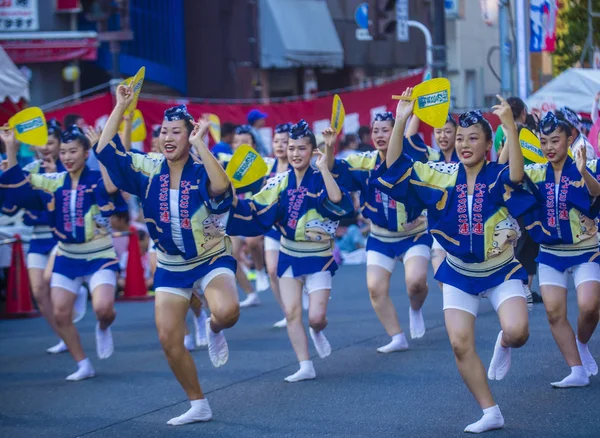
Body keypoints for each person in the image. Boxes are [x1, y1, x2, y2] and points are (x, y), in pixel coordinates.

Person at [373, 90, 535, 433]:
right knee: (460, 344)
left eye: (473, 138)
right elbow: (394, 168)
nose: (464, 143)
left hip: (501, 270)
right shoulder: (441, 173)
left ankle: (504, 343)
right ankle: (490, 410)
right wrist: (401, 118)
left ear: (488, 144)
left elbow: (517, 177)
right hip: (460, 273)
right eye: (460, 137)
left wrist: (511, 128)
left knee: (518, 332)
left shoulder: (497, 174)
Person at [96, 85, 239, 425]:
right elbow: (104, 150)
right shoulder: (148, 166)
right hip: (171, 266)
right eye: (164, 132)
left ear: (190, 135)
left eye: (177, 132)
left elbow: (222, 188)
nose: (168, 137)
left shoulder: (203, 166)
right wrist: (121, 106)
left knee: (228, 313)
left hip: (210, 257)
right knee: (168, 338)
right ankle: (198, 404)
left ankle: (214, 327)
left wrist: (202, 144)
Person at [228, 120, 353, 382]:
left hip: (318, 255)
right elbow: (256, 205)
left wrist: (324, 168)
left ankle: (317, 331)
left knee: (316, 318)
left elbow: (339, 201)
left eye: (302, 148)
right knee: (292, 312)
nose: (296, 153)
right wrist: (229, 199)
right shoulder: (280, 181)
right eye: (292, 148)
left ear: (312, 151)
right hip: (289, 253)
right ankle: (305, 365)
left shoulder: (321, 175)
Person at [0, 124, 123, 381]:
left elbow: (112, 188)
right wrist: (10, 148)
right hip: (67, 257)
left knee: (104, 309)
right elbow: (21, 187)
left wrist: (103, 151)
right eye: (64, 151)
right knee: (60, 313)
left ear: (86, 153)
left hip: (99, 255)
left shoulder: (97, 178)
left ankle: (103, 327)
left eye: (73, 151)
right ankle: (83, 364)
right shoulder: (54, 181)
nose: (67, 157)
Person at [327, 111, 431, 352]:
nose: (380, 135)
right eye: (376, 130)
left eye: (387, 130)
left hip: (413, 235)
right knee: (375, 288)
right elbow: (337, 171)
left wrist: (425, 215)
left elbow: (435, 190)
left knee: (415, 282)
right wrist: (330, 148)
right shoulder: (364, 161)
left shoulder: (413, 159)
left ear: (397, 132)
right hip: (380, 238)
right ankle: (397, 337)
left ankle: (415, 308)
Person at [516, 112, 600, 387]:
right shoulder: (536, 172)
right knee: (554, 313)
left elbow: (597, 192)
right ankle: (576, 369)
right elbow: (511, 178)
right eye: (544, 142)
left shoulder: (589, 164)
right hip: (551, 253)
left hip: (585, 248)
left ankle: (582, 342)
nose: (549, 147)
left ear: (570, 139)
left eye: (555, 140)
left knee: (589, 307)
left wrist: (584, 169)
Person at [264, 123, 292, 328]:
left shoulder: (298, 166)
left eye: (285, 142)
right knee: (272, 270)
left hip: (294, 227)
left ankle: (310, 292)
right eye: (276, 141)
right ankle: (287, 312)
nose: (280, 145)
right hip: (272, 228)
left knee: (297, 270)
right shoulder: (267, 167)